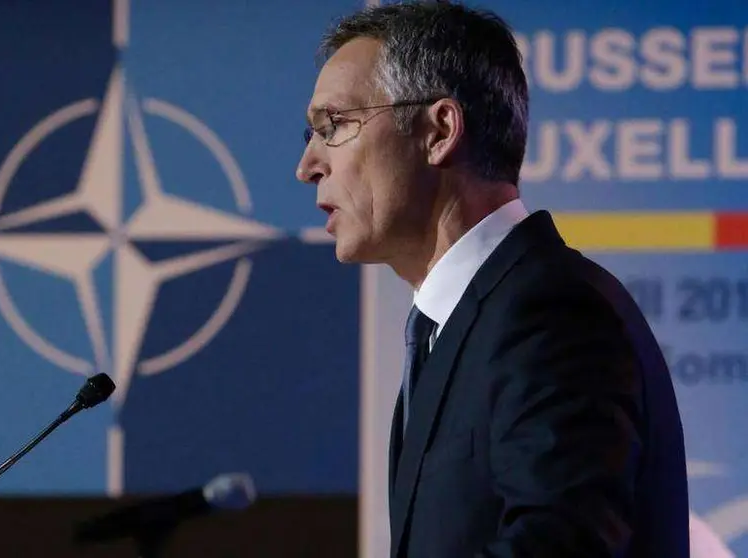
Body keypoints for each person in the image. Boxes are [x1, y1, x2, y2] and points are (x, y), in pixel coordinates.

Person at [295, 2, 690, 556]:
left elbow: (565, 544)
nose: (308, 164)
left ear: (439, 131)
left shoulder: (550, 312)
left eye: (333, 126)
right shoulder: (460, 327)